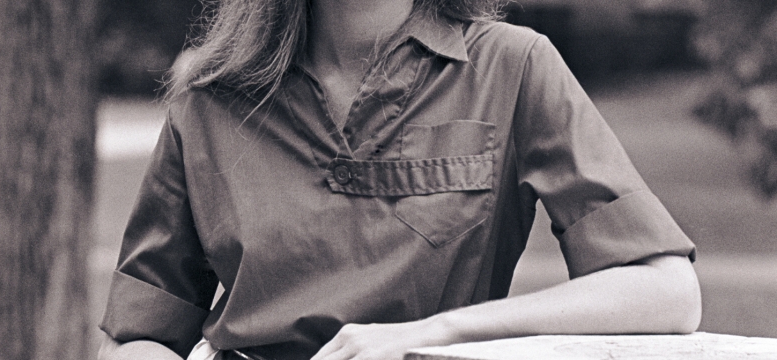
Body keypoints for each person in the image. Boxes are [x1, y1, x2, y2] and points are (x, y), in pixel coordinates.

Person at [98, 0, 702, 359]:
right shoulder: (210, 100)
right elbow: (143, 334)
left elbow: (667, 291)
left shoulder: (512, 66)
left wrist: (437, 334)